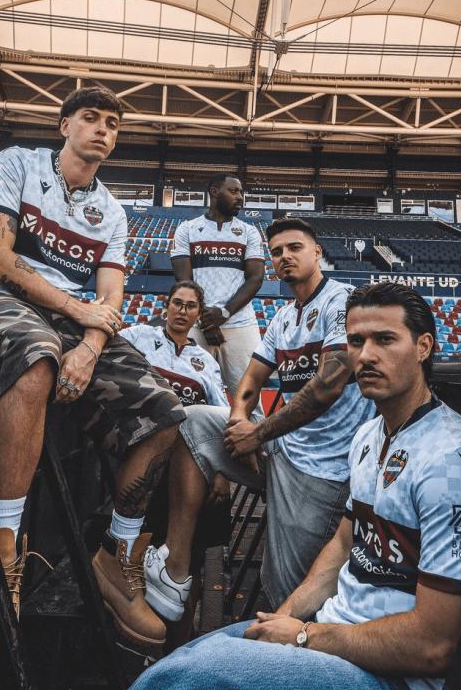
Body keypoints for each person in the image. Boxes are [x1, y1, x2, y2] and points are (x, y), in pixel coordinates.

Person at [0, 283, 461, 690]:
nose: (364, 356)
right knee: (184, 662)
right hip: (337, 644)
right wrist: (283, 625)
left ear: (427, 347)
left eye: (385, 340)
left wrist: (304, 636)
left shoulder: (456, 465)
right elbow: (344, 542)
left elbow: (436, 646)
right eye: (355, 341)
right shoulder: (370, 434)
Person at [0, 86, 186, 686]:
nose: (103, 130)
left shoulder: (112, 209)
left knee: (164, 411)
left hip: (74, 322)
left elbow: (109, 300)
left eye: (113, 123)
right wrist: (71, 321)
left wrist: (88, 344)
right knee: (36, 357)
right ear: (64, 123)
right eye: (91, 118)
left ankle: (116, 557)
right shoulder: (16, 163)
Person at [144, 218, 375, 620]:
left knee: (285, 588)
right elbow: (250, 381)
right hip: (281, 448)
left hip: (326, 470)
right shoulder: (285, 317)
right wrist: (238, 426)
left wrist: (258, 433)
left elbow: (328, 385)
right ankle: (174, 568)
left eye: (295, 248)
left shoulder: (343, 301)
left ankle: (293, 665)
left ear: (317, 252)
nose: (284, 256)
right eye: (276, 252)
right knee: (194, 422)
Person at [170, 174, 265, 399]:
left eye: (241, 192)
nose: (240, 197)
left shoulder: (250, 232)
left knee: (249, 399)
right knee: (192, 397)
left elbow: (256, 278)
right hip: (197, 326)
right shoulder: (187, 230)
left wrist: (223, 313)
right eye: (234, 191)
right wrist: (206, 321)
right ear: (214, 192)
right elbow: (184, 282)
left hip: (240, 325)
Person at [119, 280, 229, 411]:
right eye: (177, 303)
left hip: (185, 428)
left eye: (191, 306)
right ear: (167, 306)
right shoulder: (138, 335)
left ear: (199, 314)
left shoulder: (209, 363)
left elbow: (222, 412)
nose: (182, 311)